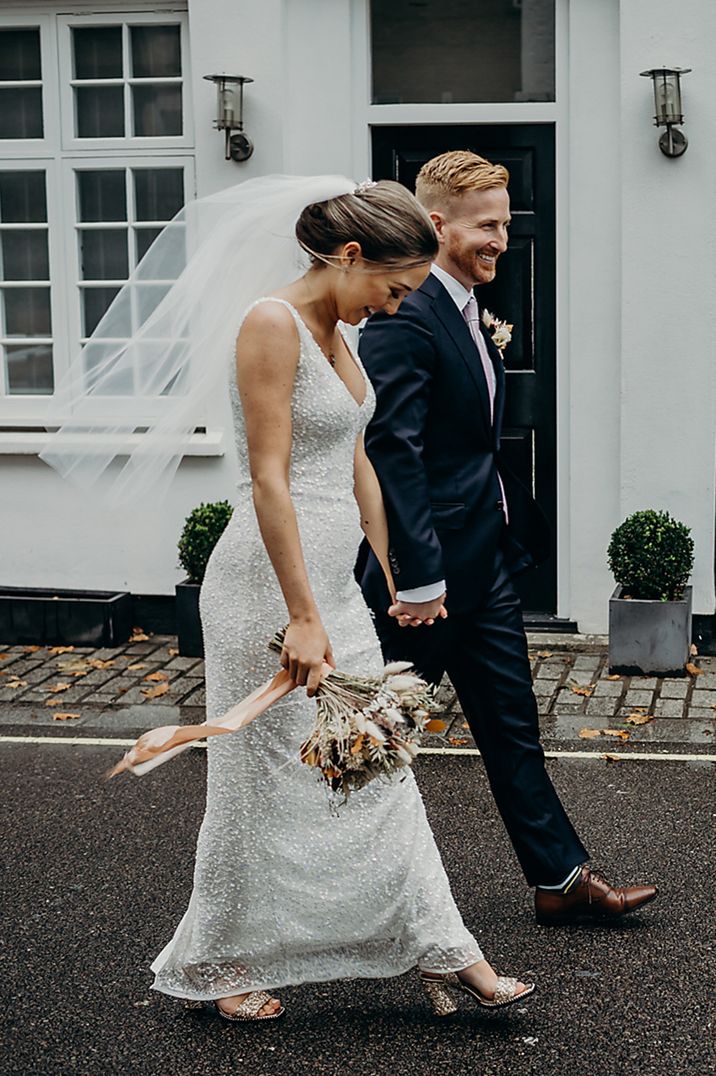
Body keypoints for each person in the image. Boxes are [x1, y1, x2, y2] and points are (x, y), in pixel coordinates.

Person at [53, 175, 534, 1021]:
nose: (391, 309)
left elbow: (356, 460)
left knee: (377, 764)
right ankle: (220, 962)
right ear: (350, 256)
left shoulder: (341, 334)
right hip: (264, 590)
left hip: (330, 587)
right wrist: (304, 614)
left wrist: (393, 568)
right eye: (390, 289)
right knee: (256, 786)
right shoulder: (270, 324)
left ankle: (444, 946)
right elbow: (270, 482)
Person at [357, 151, 658, 926]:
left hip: (483, 565)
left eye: (506, 220)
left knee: (512, 728)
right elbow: (395, 451)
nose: (502, 236)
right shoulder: (404, 315)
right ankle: (319, 895)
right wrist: (417, 577)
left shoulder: (467, 310)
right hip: (419, 585)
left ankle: (559, 878)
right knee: (368, 742)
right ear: (436, 225)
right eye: (487, 224)